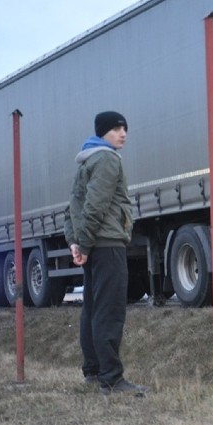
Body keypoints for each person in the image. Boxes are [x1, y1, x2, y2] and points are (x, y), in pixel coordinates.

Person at [64, 111, 146, 395]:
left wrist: (76, 242)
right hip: (108, 244)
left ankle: (93, 372)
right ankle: (111, 378)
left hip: (94, 246)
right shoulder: (108, 160)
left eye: (125, 128)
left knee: (92, 309)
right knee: (109, 311)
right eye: (115, 129)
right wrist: (83, 244)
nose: (122, 133)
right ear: (102, 133)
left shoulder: (86, 160)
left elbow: (72, 208)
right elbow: (95, 206)